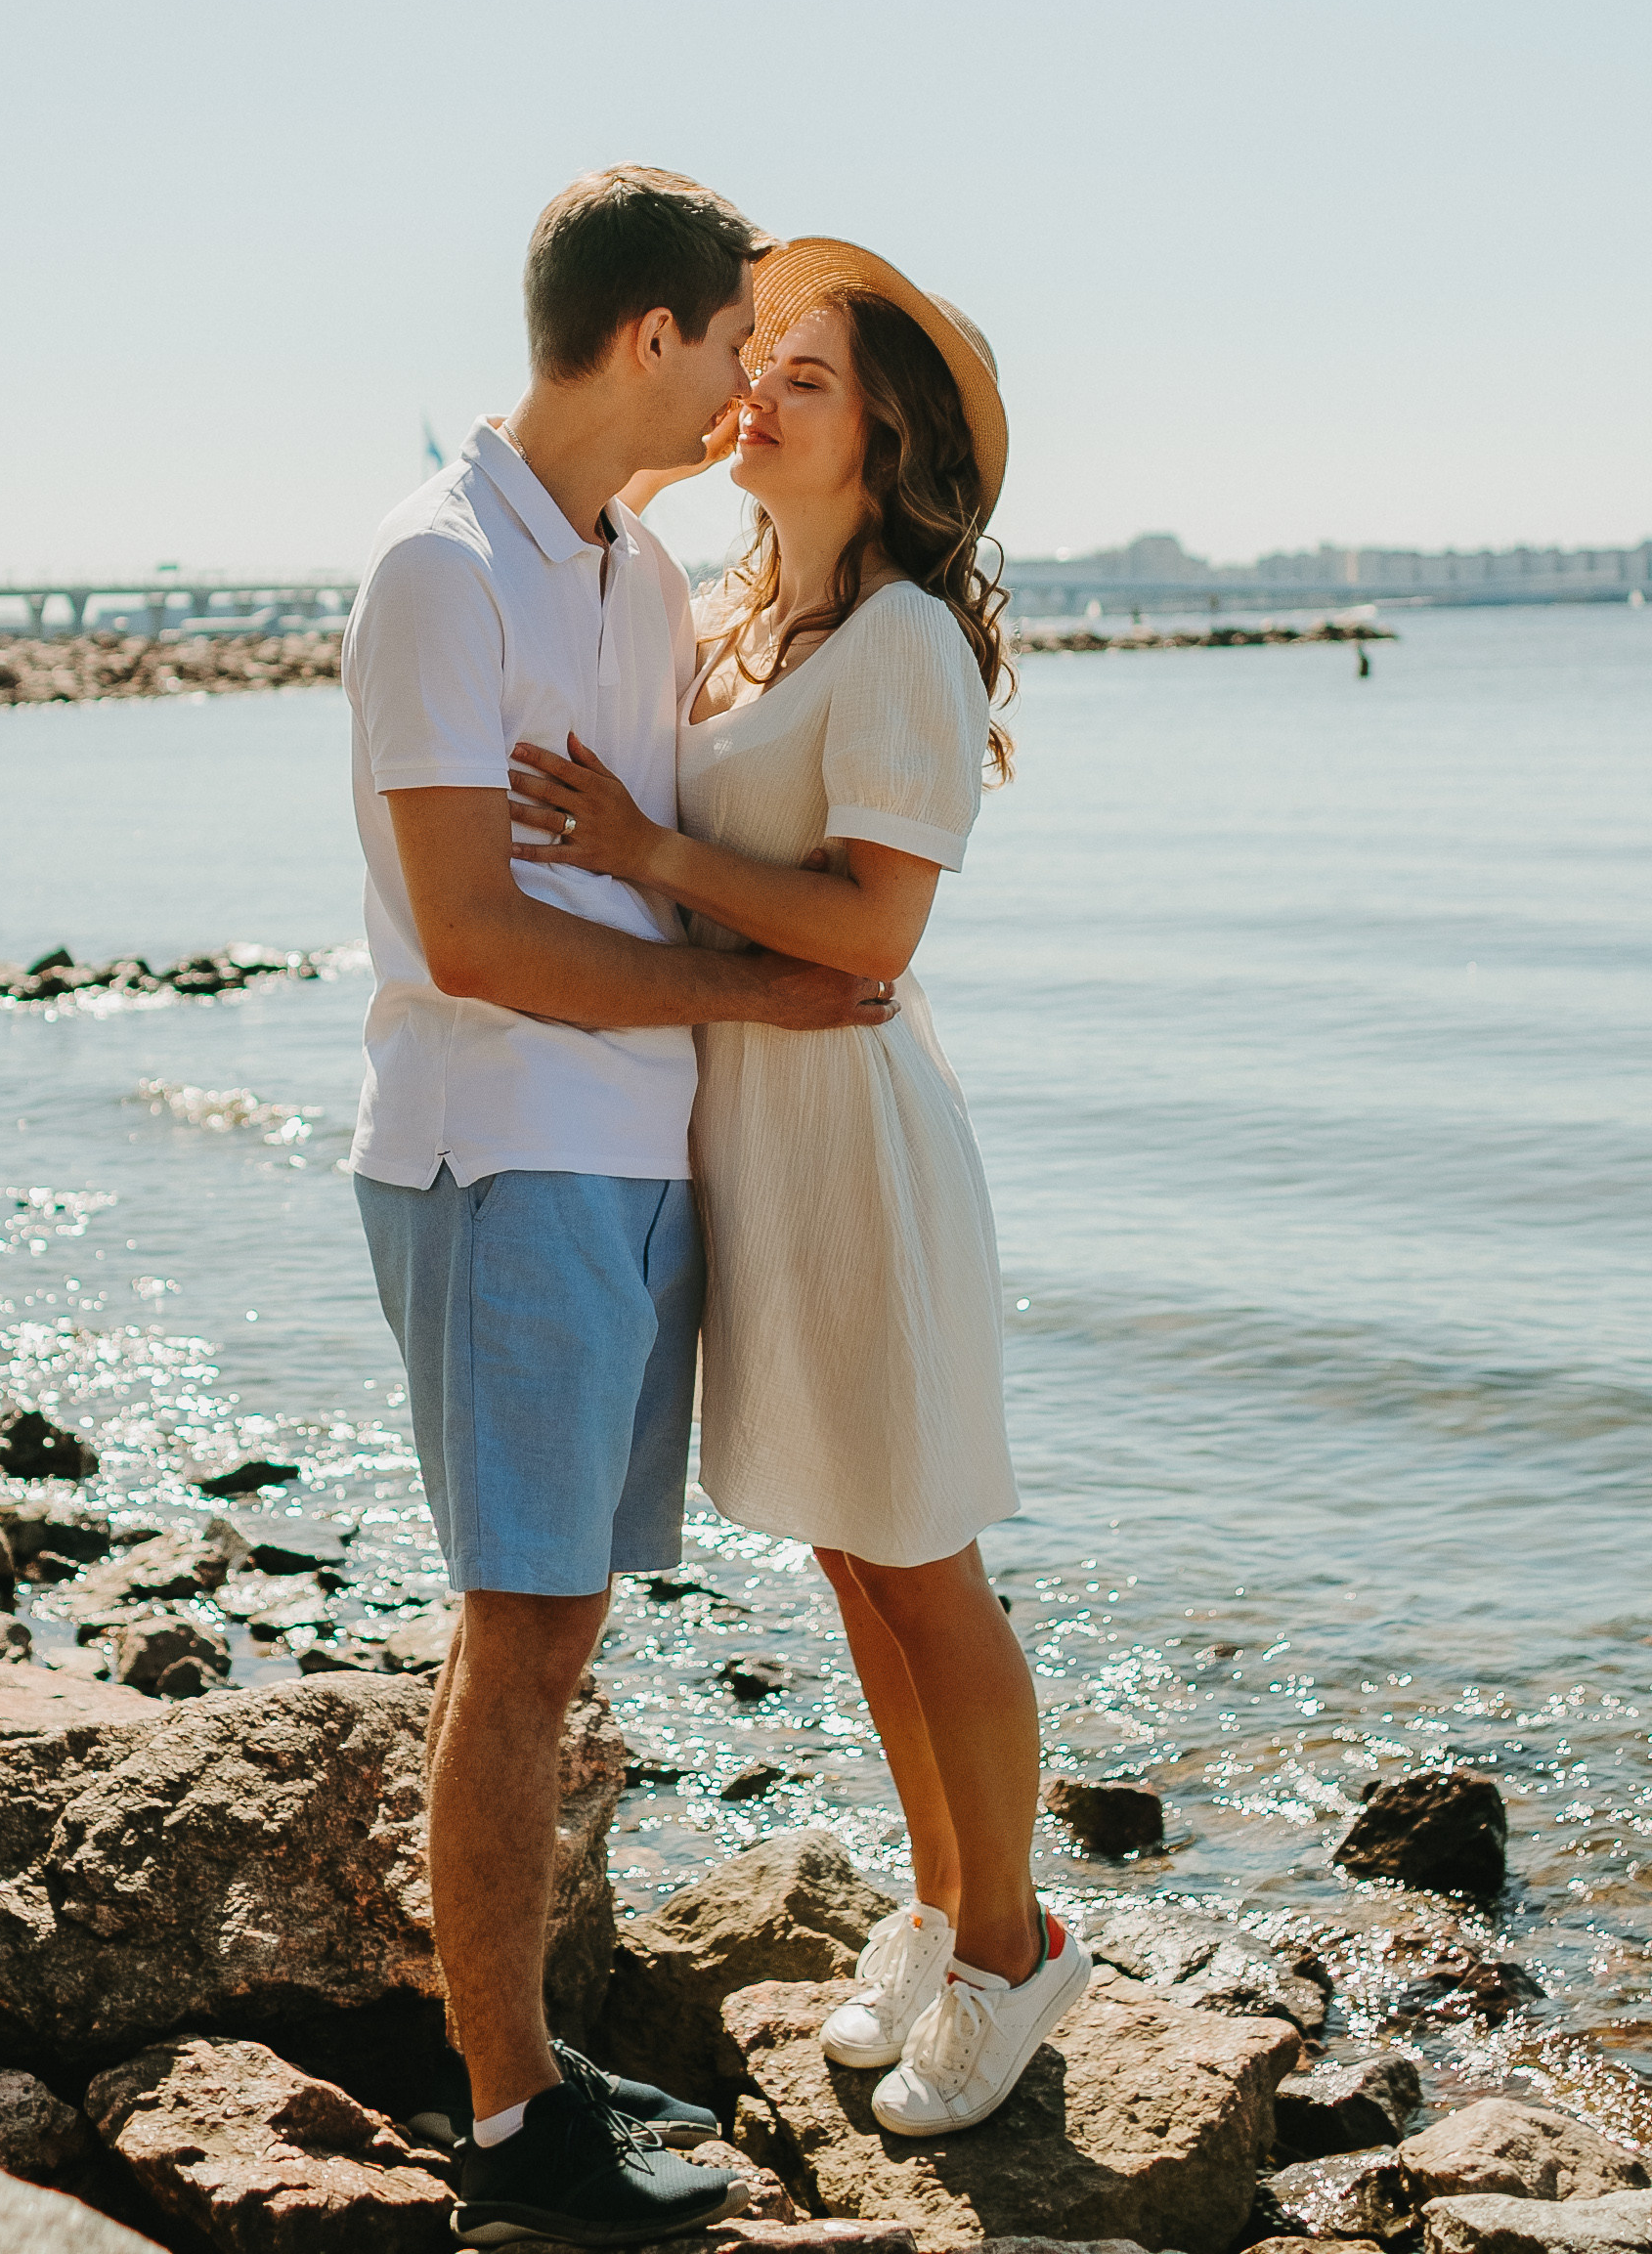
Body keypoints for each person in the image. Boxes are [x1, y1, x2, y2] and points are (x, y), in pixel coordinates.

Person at [342, 173, 901, 2248]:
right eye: (739, 336)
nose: (754, 374)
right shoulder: (434, 573)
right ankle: (511, 2131)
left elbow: (656, 848)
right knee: (523, 1633)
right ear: (651, 337)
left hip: (637, 1155)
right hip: (502, 1152)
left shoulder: (637, 572)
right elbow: (478, 935)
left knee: (556, 1629)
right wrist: (765, 986)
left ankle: (523, 2058)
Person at [509, 237, 1091, 2140]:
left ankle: (1012, 1951)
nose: (756, 395)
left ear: (892, 436)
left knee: (920, 1556)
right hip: (759, 1129)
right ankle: (938, 1906)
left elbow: (878, 919)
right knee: (852, 1554)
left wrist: (651, 847)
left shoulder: (906, 643)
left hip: (856, 1138)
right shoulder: (753, 617)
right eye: (755, 363)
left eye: (807, 378)